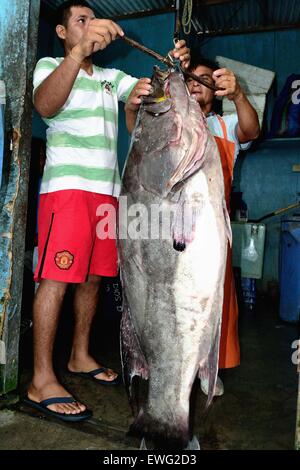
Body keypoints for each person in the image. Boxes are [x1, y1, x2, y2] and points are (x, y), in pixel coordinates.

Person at [24, 0, 190, 421]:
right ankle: (40, 379)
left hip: (106, 195)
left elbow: (149, 92)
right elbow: (44, 106)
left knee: (94, 279)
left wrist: (170, 66)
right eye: (81, 21)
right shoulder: (49, 65)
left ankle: (80, 355)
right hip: (68, 191)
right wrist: (77, 54)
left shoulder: (110, 78)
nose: (91, 27)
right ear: (63, 33)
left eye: (93, 20)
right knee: (56, 277)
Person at [186, 57, 260, 396]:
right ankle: (177, 369)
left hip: (214, 234)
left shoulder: (224, 124)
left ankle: (209, 368)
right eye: (191, 78)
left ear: (216, 90)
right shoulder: (172, 120)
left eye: (205, 79)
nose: (197, 83)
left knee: (217, 304)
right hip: (176, 231)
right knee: (179, 305)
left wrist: (239, 95)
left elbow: (252, 130)